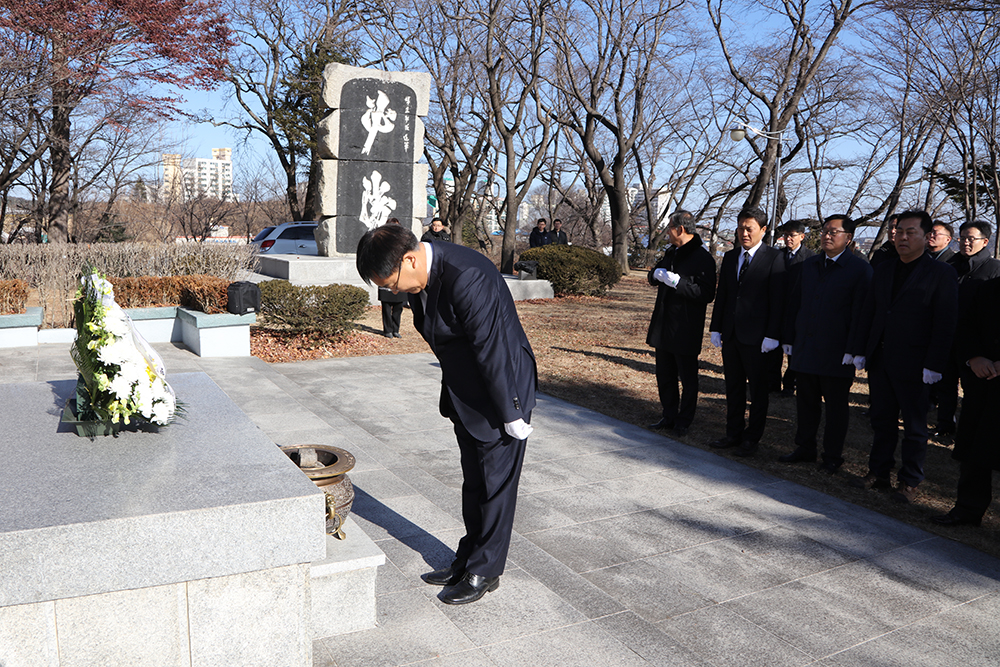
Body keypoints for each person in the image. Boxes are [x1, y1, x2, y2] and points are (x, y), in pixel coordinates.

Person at [356, 224, 537, 605]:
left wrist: (512, 412)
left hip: (501, 391)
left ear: (409, 258)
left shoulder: (466, 276)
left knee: (496, 488)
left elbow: (493, 349)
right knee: (475, 483)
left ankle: (486, 570)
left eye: (391, 283)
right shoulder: (421, 276)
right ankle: (467, 559)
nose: (393, 292)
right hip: (465, 393)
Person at [847, 210, 958, 503]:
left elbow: (945, 322)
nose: (903, 238)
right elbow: (868, 313)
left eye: (911, 233)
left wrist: (934, 364)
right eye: (899, 232)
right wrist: (860, 349)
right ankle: (878, 472)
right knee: (882, 420)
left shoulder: (941, 273)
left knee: (914, 426)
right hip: (882, 359)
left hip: (917, 364)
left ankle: (909, 481)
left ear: (926, 236)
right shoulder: (883, 269)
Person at [778, 215, 872, 473]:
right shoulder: (809, 265)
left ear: (848, 238)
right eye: (824, 231)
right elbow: (794, 303)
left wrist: (855, 350)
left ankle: (832, 456)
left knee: (835, 408)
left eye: (834, 232)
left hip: (837, 352)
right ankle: (805, 447)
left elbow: (862, 314)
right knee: (806, 403)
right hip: (806, 347)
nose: (827, 236)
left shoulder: (860, 269)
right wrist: (789, 338)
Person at [708, 207, 786, 458]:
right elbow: (724, 295)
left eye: (749, 228)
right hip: (731, 334)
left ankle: (752, 437)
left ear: (763, 230)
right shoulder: (731, 257)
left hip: (759, 338)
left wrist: (773, 335)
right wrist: (716, 327)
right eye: (740, 227)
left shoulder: (774, 258)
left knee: (758, 390)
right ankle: (733, 433)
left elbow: (778, 300)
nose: (743, 233)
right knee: (733, 386)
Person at [932, 275, 1000, 527]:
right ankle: (967, 510)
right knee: (975, 453)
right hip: (984, 383)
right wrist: (974, 357)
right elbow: (966, 326)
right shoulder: (989, 288)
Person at [646, 210, 716, 437]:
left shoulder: (703, 257)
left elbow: (706, 293)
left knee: (687, 377)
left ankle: (684, 420)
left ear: (680, 229)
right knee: (664, 374)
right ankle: (668, 415)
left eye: (669, 228)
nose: (667, 232)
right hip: (665, 321)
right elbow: (655, 272)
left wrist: (679, 283)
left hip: (685, 325)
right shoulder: (671, 252)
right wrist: (655, 274)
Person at [932, 220, 1000, 435]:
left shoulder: (994, 269)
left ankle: (969, 431)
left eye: (971, 238)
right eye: (962, 238)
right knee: (945, 384)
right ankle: (944, 425)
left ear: (985, 241)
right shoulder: (949, 266)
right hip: (948, 335)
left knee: (972, 389)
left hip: (977, 343)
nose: (966, 243)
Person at [769, 220, 816, 396]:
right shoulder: (777, 256)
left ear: (802, 236)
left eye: (792, 235)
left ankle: (790, 384)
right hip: (778, 308)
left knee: (794, 351)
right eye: (786, 235)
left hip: (798, 310)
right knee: (774, 351)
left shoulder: (810, 258)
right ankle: (773, 383)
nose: (788, 238)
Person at [377, 218, 407, 338]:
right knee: (386, 305)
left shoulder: (405, 240)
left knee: (399, 306)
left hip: (400, 274)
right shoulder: (381, 239)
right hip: (386, 273)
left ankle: (396, 329)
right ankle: (387, 330)